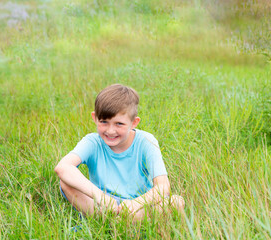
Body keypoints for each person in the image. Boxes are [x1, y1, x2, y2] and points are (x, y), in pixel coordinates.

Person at [54, 84, 185, 221]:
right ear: (95, 118)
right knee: (66, 182)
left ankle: (120, 222)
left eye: (119, 124)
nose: (110, 131)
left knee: (176, 202)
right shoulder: (93, 142)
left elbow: (163, 187)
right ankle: (113, 221)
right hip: (103, 206)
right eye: (104, 122)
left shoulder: (146, 141)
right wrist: (101, 197)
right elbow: (62, 167)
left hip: (137, 206)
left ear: (134, 123)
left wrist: (135, 204)